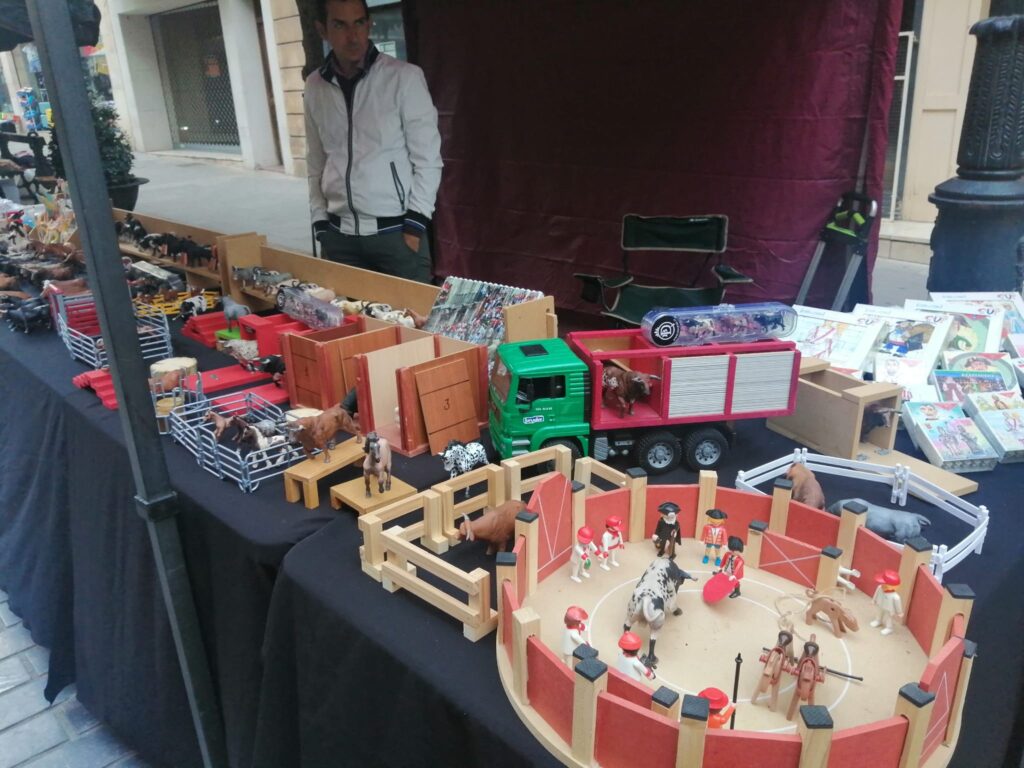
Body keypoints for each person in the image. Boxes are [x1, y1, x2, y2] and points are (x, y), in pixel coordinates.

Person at [304, 0, 442, 283]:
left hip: (397, 235)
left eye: (359, 23)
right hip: (339, 238)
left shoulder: (403, 78)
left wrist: (415, 225)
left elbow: (428, 159)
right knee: (344, 313)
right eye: (340, 25)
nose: (352, 36)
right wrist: (320, 223)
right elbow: (316, 161)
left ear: (369, 25)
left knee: (412, 313)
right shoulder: (315, 86)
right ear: (322, 30)